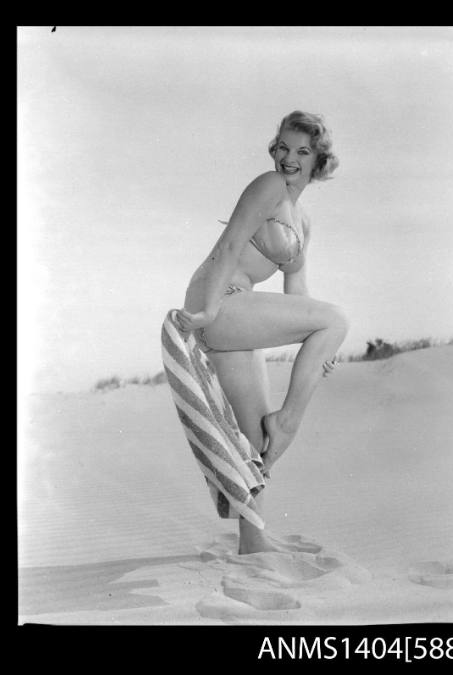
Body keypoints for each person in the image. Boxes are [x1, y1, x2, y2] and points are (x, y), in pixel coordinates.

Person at [175, 111, 349, 554]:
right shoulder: (268, 187)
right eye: (284, 148)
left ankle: (251, 543)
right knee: (336, 318)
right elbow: (232, 242)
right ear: (275, 149)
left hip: (237, 309)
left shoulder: (303, 221)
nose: (289, 158)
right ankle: (287, 423)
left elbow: (297, 294)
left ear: (317, 161)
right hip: (219, 299)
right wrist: (210, 308)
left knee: (253, 438)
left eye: (302, 152)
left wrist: (320, 350)